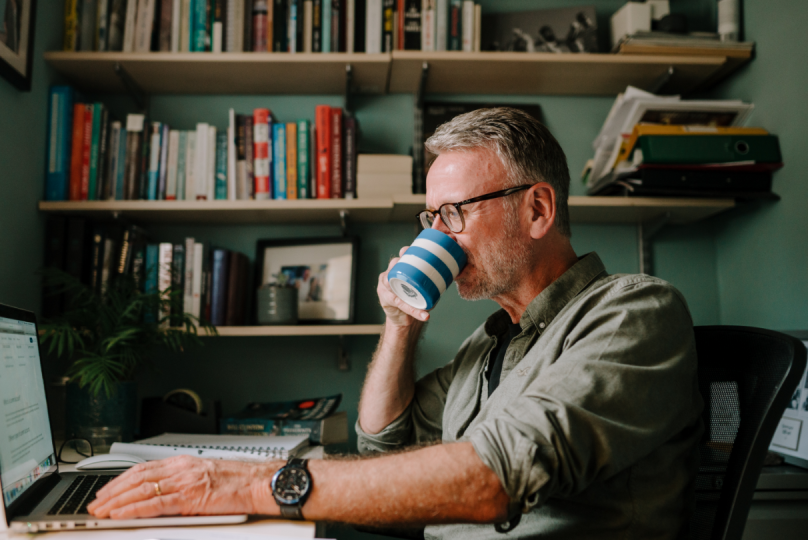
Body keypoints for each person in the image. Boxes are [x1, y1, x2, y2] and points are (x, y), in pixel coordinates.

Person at [87, 108, 704, 539]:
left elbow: (495, 475)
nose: (434, 236)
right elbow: (382, 443)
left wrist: (254, 484)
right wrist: (400, 323)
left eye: (453, 214)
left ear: (537, 209)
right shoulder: (490, 343)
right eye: (428, 216)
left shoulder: (632, 313)